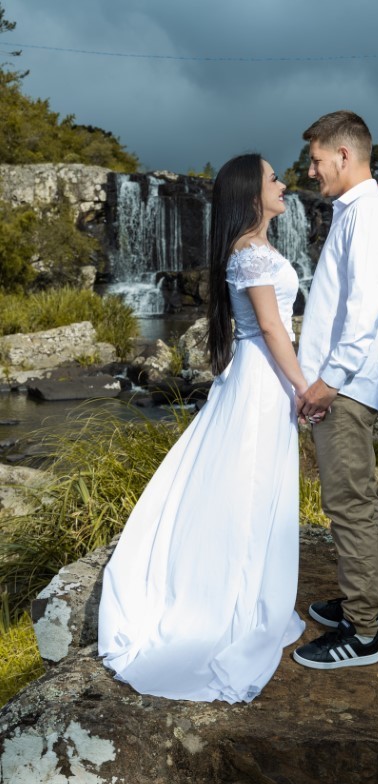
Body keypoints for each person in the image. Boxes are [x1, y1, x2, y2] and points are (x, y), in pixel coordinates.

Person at [98, 153, 308, 703]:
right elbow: (271, 327)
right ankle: (231, 605)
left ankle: (252, 595)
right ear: (250, 193)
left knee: (255, 485)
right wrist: (304, 386)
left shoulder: (252, 248)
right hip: (262, 380)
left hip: (261, 377)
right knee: (249, 487)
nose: (284, 184)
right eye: (273, 178)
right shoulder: (250, 253)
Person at [293, 110, 378, 670]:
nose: (310, 171)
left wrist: (328, 382)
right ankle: (359, 605)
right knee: (346, 500)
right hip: (341, 384)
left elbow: (362, 312)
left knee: (350, 504)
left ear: (343, 154)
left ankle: (362, 634)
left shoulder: (369, 215)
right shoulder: (354, 212)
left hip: (344, 388)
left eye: (315, 160)